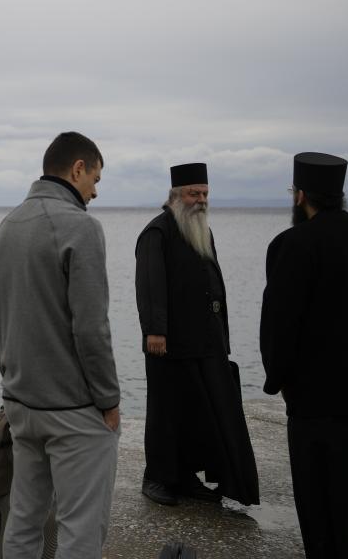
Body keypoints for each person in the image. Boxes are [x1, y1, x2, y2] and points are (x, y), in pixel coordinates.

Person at [0, 132, 120, 559]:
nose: (95, 191)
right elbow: (91, 328)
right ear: (77, 168)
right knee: (79, 527)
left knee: (24, 518)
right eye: (95, 178)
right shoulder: (81, 227)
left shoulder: (7, 226)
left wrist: (11, 378)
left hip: (22, 401)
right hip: (73, 408)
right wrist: (108, 399)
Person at [261, 152, 348, 559]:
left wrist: (279, 380)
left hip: (315, 409)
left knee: (323, 512)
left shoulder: (292, 245)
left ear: (300, 195)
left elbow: (279, 326)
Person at [135, 163, 259, 507]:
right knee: (166, 411)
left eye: (204, 193)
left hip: (205, 341)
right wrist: (155, 332)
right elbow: (149, 286)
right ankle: (157, 476)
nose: (201, 200)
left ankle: (186, 477)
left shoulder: (203, 230)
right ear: (176, 195)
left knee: (198, 413)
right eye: (194, 193)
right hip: (168, 344)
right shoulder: (156, 232)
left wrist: (222, 336)